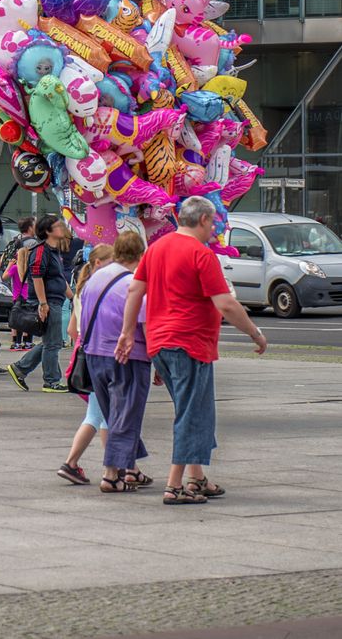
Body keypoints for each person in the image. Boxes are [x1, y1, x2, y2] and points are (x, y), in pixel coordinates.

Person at [116, 195, 267, 505]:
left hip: (161, 343)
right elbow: (225, 303)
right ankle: (175, 485)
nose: (214, 229)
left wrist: (128, 332)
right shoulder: (202, 254)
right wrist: (254, 333)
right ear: (202, 220)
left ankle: (197, 478)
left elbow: (135, 289)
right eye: (212, 222)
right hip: (190, 343)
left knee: (194, 410)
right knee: (192, 414)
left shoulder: (156, 248)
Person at [79, 231, 153, 494]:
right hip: (126, 355)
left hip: (94, 354)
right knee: (126, 414)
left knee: (113, 413)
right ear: (141, 255)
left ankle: (130, 469)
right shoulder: (134, 283)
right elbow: (143, 323)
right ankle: (111, 474)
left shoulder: (95, 277)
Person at [58, 242, 113, 485]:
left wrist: (83, 339)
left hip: (88, 354)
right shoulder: (101, 289)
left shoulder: (82, 290)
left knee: (98, 415)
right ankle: (108, 468)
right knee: (100, 417)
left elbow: (72, 329)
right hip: (101, 354)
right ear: (99, 263)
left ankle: (114, 467)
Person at [8, 213, 73, 394]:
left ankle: (20, 368)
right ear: (47, 231)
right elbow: (36, 277)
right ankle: (51, 381)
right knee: (53, 343)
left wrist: (72, 297)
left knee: (50, 341)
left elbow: (60, 279)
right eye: (58, 226)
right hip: (49, 302)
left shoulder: (53, 251)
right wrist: (43, 303)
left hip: (55, 300)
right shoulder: (41, 251)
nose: (62, 228)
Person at [4, 215, 37, 349]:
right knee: (29, 318)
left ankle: (16, 342)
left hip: (16, 296)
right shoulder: (33, 246)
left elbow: (5, 276)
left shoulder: (15, 266)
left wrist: (9, 264)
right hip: (28, 294)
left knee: (17, 318)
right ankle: (27, 342)